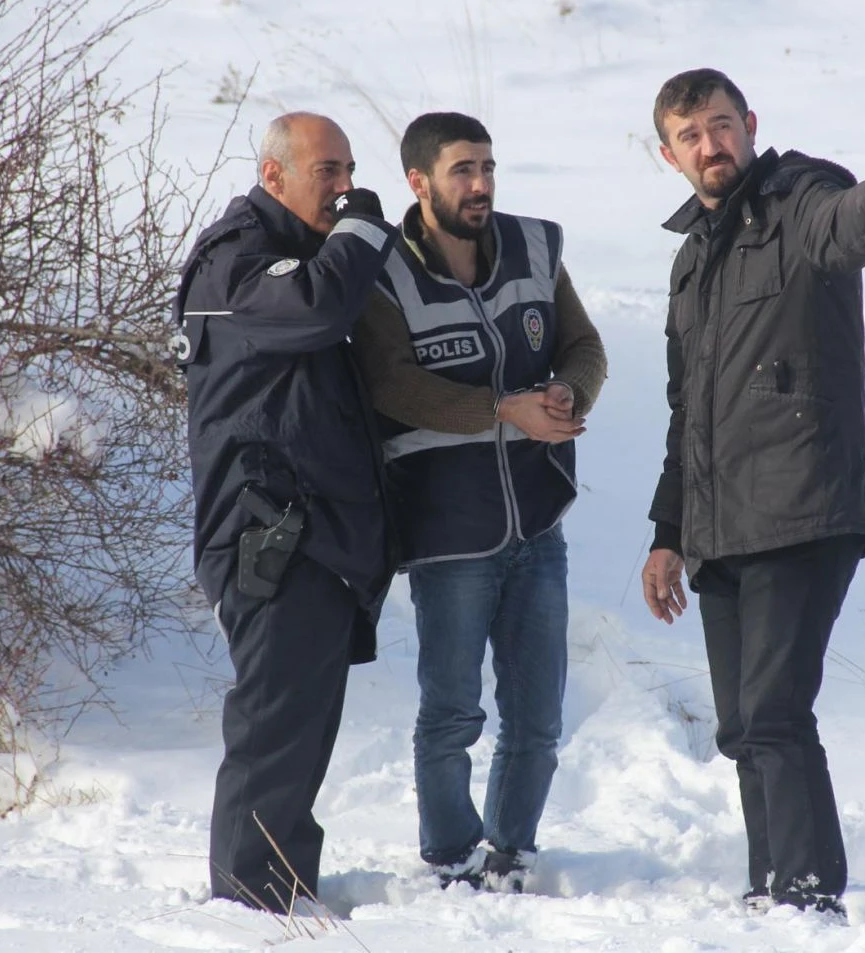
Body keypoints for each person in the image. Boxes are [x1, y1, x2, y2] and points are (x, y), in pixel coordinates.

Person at [638, 69, 865, 916]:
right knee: (743, 726)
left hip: (802, 508)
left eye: (722, 123)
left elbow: (846, 225)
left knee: (774, 710)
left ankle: (808, 895)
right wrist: (669, 530)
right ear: (668, 154)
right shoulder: (690, 260)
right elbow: (685, 413)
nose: (712, 143)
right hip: (719, 525)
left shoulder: (798, 196)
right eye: (691, 134)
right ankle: (769, 886)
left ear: (750, 123)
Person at [352, 111, 606, 892]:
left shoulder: (533, 246)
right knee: (454, 714)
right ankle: (451, 855)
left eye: (489, 167)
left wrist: (568, 389)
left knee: (537, 717)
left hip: (538, 523)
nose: (482, 184)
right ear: (419, 181)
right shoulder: (383, 271)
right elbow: (391, 383)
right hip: (448, 533)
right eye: (463, 170)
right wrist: (504, 409)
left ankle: (513, 850)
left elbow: (585, 346)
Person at [173, 112, 399, 912]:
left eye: (349, 169)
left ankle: (279, 886)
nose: (342, 186)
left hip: (313, 538)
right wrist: (365, 230)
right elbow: (314, 309)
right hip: (270, 536)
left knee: (301, 728)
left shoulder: (297, 255)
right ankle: (248, 902)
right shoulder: (235, 262)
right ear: (273, 176)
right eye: (325, 172)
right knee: (273, 728)